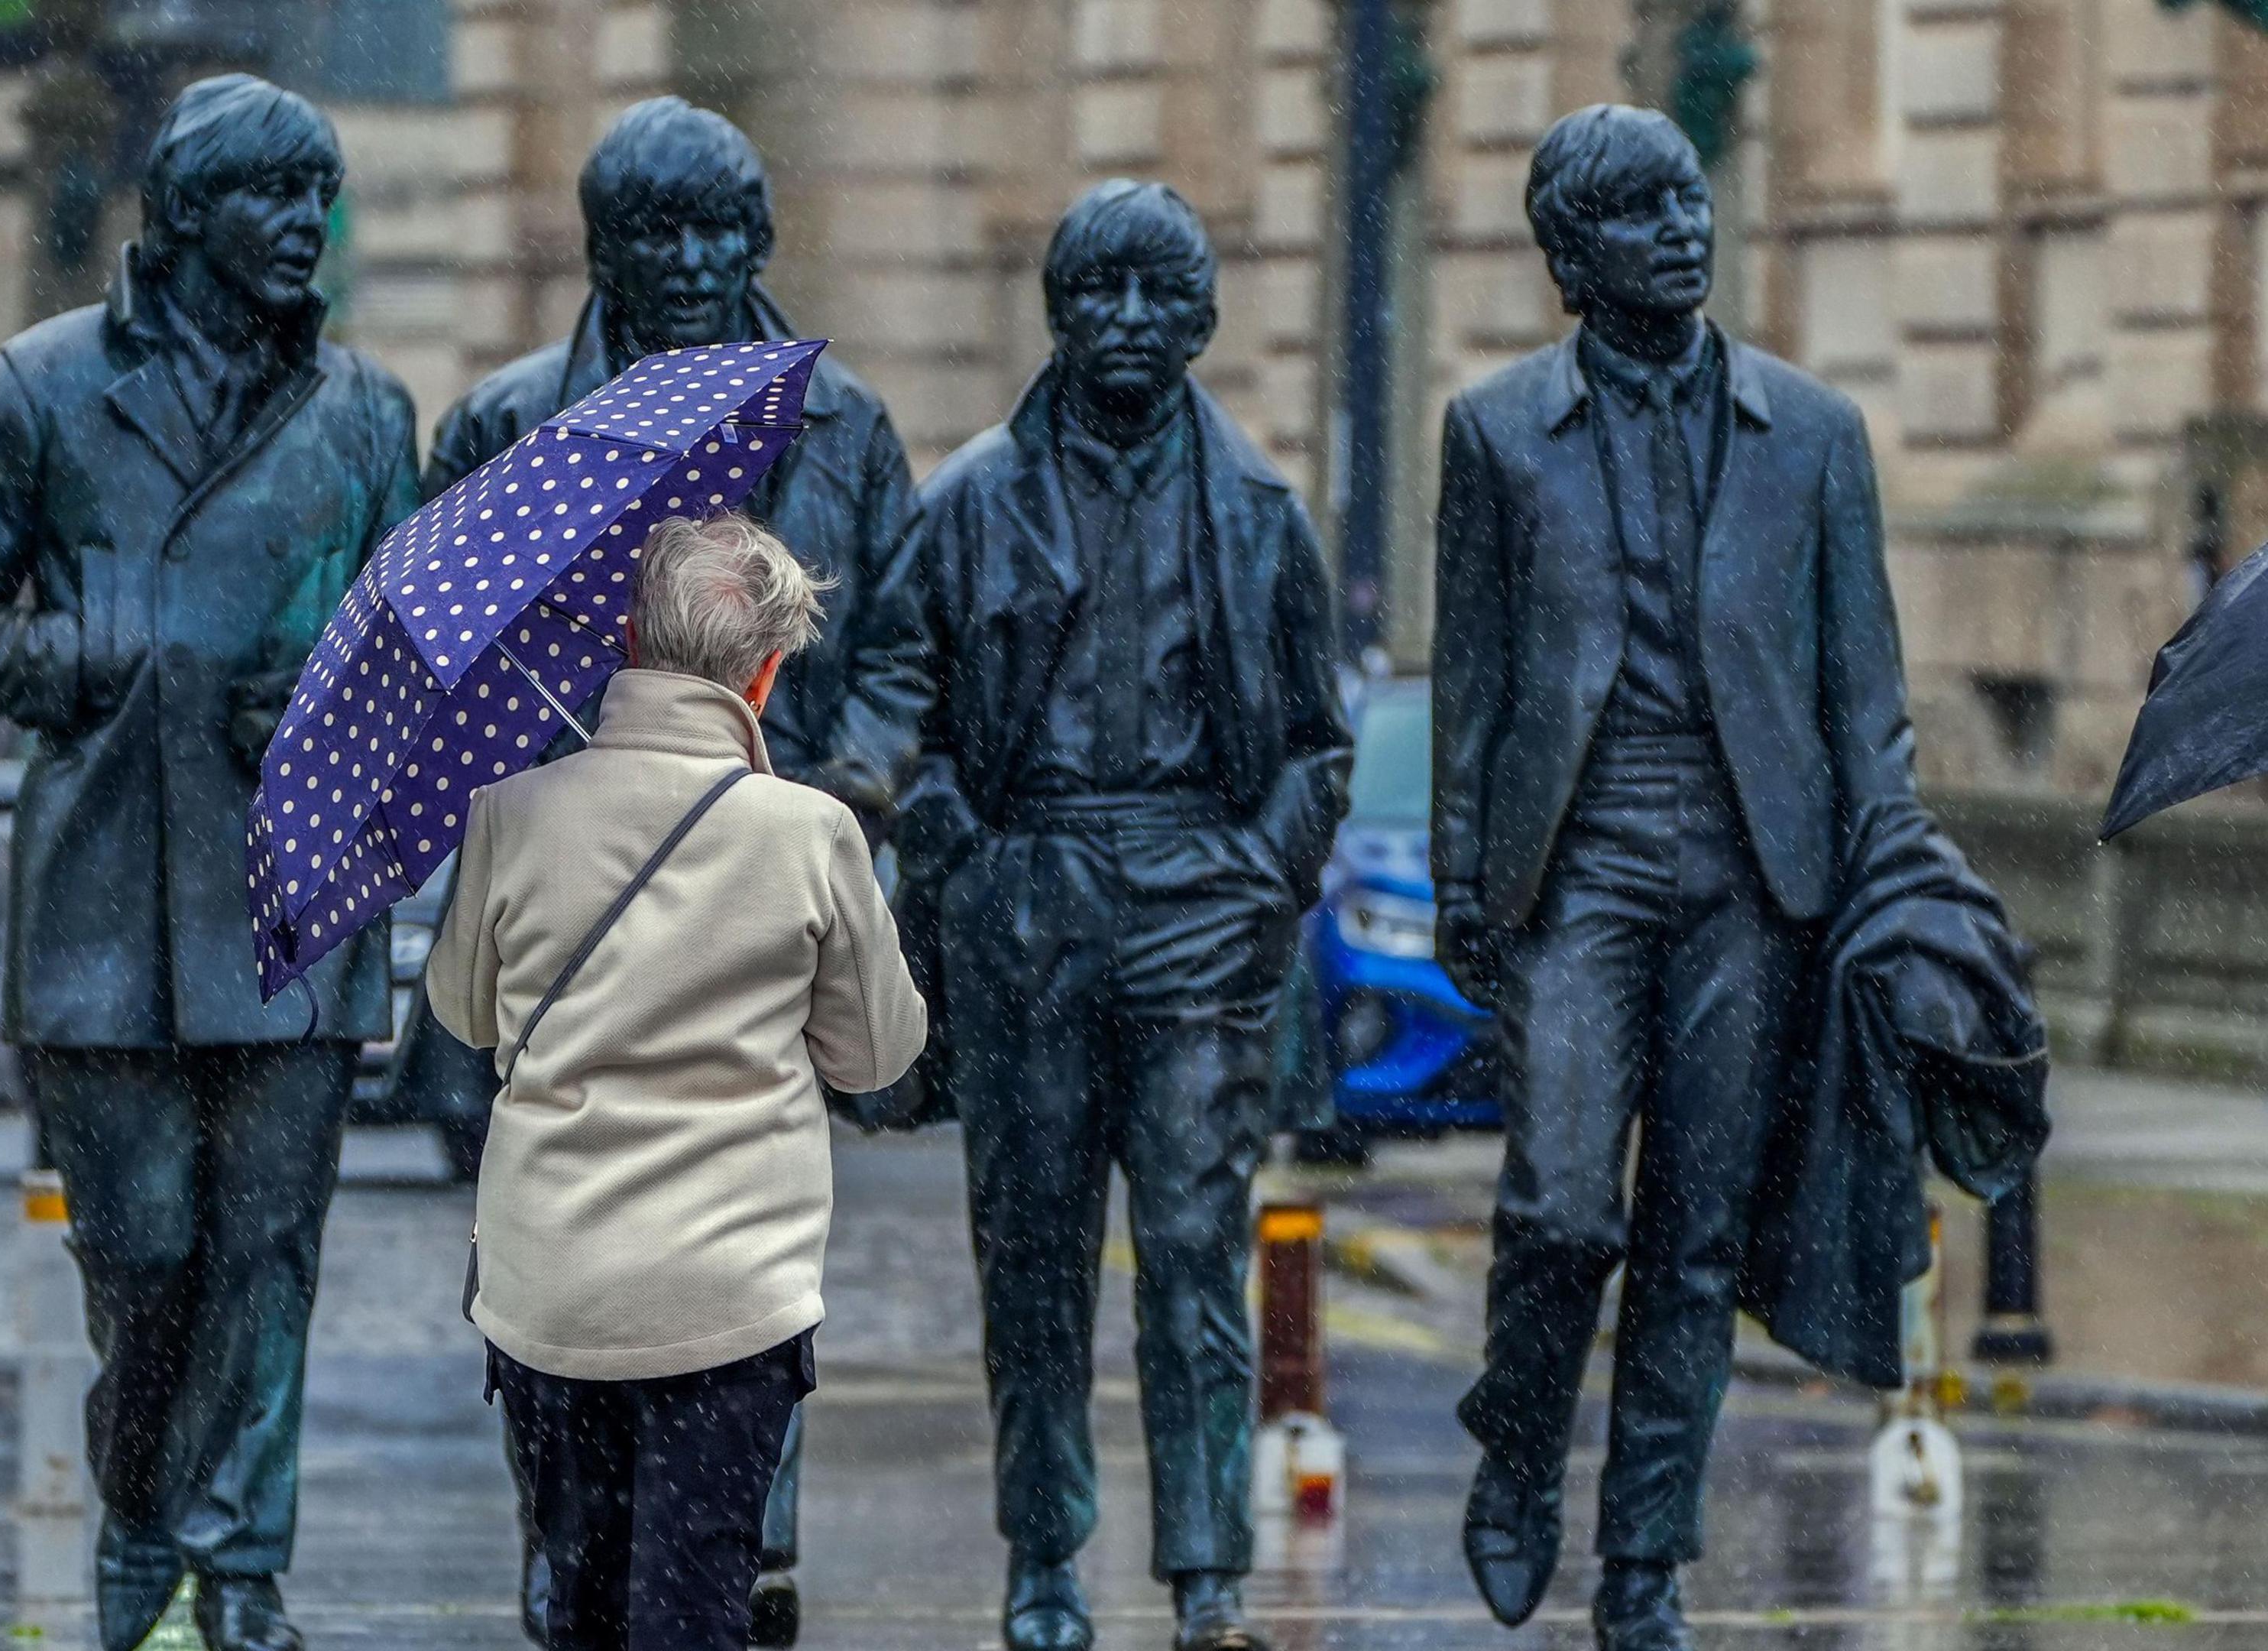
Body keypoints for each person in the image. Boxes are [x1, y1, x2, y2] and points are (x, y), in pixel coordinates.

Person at [0, 74, 420, 1651]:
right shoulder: (43, 387)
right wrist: (76, 652)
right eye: (272, 197)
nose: (307, 226)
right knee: (145, 1259)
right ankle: (143, 1518)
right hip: (109, 901)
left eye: (321, 197)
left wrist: (339, 688)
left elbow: (427, 654)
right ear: (182, 217)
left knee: (268, 1260)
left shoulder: (370, 416)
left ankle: (234, 1575)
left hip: (294, 901)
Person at [410, 92, 917, 1643]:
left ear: (763, 238)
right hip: (577, 885)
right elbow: (442, 663)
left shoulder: (846, 424)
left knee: (746, 1245)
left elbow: (901, 647)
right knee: (584, 1296)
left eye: (720, 227)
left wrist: (852, 777)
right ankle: (585, 1556)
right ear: (603, 248)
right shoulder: (507, 427)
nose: (694, 259)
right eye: (657, 231)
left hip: (768, 876)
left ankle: (741, 1568)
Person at [822, 180, 1353, 1651]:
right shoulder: (974, 497)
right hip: (1031, 904)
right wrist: (962, 862)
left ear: (1201, 319)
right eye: (1098, 292)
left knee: (1196, 1260)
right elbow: (902, 694)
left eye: (1156, 296)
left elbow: (1318, 740)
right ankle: (1046, 1560)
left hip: (1199, 902)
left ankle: (1206, 1577)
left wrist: (1258, 877)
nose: (1126, 322)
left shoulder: (1257, 510)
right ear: (1058, 311)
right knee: (1038, 1264)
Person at [1427, 106, 1919, 1651]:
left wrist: (1890, 879)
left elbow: (1864, 697)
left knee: (1697, 1236)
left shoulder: (1817, 435)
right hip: (1578, 859)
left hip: (1756, 872)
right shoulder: (1498, 434)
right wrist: (1463, 884)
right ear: (1571, 257)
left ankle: (1646, 1563)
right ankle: (1516, 1438)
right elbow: (1477, 683)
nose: (1683, 231)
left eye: (1690, 201)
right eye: (1639, 213)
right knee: (1565, 1205)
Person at [425, 512, 928, 1651]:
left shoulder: (509, 813)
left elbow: (460, 1013)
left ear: (628, 641)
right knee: (695, 1606)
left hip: (550, 1289)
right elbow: (878, 1055)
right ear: (766, 669)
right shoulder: (812, 833)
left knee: (581, 1602)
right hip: (726, 1299)